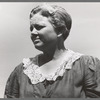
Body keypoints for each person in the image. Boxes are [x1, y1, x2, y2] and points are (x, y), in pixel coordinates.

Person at [4, 3, 100, 98]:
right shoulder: (22, 71)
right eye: (31, 28)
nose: (33, 32)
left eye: (39, 27)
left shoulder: (86, 66)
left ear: (60, 30)